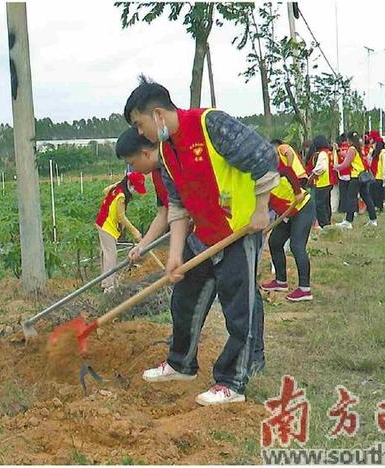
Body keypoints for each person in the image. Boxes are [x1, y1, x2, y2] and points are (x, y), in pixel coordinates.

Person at [120, 76, 279, 407]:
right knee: (184, 298)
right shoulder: (166, 151)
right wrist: (175, 254)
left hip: (239, 229)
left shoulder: (211, 125)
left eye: (139, 124)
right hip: (204, 233)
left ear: (159, 115)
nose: (139, 133)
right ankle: (181, 364)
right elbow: (177, 206)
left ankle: (231, 382)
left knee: (239, 307)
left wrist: (262, 208)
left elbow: (263, 156)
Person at [261, 149, 314, 301]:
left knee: (296, 246)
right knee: (275, 242)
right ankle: (280, 281)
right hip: (287, 213)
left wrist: (297, 191)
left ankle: (305, 289)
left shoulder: (265, 168)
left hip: (302, 206)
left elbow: (288, 171)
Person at [95, 170, 147, 292]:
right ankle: (109, 286)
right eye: (135, 187)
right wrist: (135, 232)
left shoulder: (118, 188)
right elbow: (121, 217)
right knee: (111, 255)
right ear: (129, 184)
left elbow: (105, 190)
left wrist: (117, 184)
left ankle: (106, 281)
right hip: (106, 225)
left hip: (103, 223)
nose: (135, 190)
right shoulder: (121, 196)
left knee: (107, 254)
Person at [334, 131, 378, 228]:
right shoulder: (359, 148)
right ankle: (373, 219)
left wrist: (336, 167)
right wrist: (338, 151)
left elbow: (346, 163)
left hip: (355, 177)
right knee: (366, 197)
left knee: (351, 198)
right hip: (362, 176)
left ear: (349, 140)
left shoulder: (352, 149)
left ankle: (348, 221)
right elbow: (347, 156)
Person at [306, 135, 335, 228]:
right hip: (329, 181)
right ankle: (328, 221)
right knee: (326, 203)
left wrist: (312, 176)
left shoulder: (322, 153)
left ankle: (324, 224)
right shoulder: (329, 153)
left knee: (319, 204)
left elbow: (320, 168)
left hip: (322, 182)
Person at [366, 132, 385, 212]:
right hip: (372, 175)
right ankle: (374, 207)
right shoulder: (373, 150)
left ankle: (379, 207)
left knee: (378, 194)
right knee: (372, 193)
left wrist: (384, 176)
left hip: (379, 176)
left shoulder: (383, 152)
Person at [334, 133, 350, 214]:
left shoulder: (338, 149)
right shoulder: (351, 148)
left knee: (343, 193)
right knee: (350, 193)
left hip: (342, 173)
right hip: (351, 173)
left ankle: (343, 208)